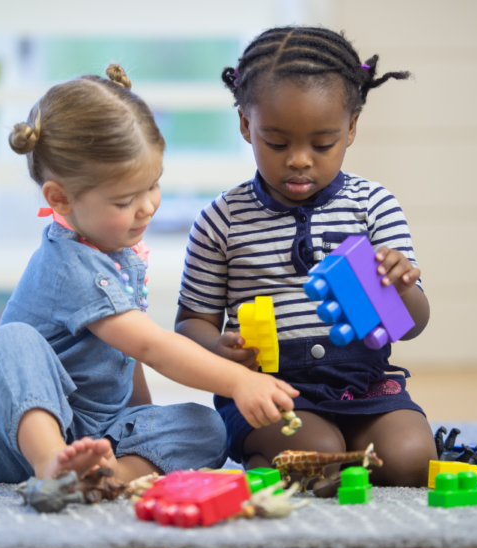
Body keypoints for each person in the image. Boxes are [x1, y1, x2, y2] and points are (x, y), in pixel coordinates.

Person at [0, 65, 298, 485]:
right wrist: (239, 380)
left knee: (208, 427)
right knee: (10, 340)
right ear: (60, 197)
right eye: (126, 199)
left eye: (154, 185)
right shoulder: (70, 264)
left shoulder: (117, 253)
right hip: (8, 432)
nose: (148, 206)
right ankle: (52, 465)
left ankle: (109, 475)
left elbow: (127, 356)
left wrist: (141, 424)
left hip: (93, 431)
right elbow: (152, 346)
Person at [175, 28, 438, 488]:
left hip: (365, 382)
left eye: (322, 144)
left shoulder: (373, 205)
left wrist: (401, 289)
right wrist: (220, 351)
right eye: (276, 143)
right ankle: (280, 452)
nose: (299, 160)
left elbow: (411, 325)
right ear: (244, 124)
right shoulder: (222, 219)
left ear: (351, 128)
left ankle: (341, 447)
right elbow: (190, 324)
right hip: (269, 391)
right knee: (320, 457)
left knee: (412, 460)